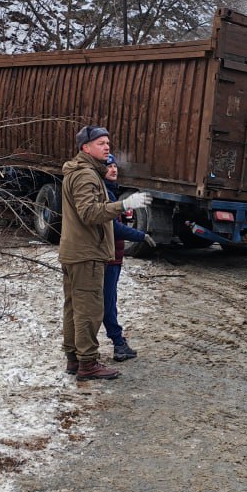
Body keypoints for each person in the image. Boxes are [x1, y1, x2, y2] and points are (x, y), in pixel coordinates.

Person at [59, 125, 151, 381]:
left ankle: (74, 359)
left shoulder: (80, 172)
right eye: (100, 143)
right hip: (86, 253)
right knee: (88, 310)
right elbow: (89, 213)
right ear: (85, 148)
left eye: (108, 143)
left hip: (76, 251)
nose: (107, 147)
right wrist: (123, 205)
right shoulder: (86, 175)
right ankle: (87, 363)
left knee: (74, 309)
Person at [103, 154, 155, 362]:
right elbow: (113, 228)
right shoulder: (105, 193)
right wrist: (140, 236)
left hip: (113, 257)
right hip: (108, 258)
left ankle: (116, 343)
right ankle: (118, 344)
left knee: (109, 301)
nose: (114, 169)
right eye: (109, 166)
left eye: (115, 166)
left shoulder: (110, 191)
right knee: (107, 303)